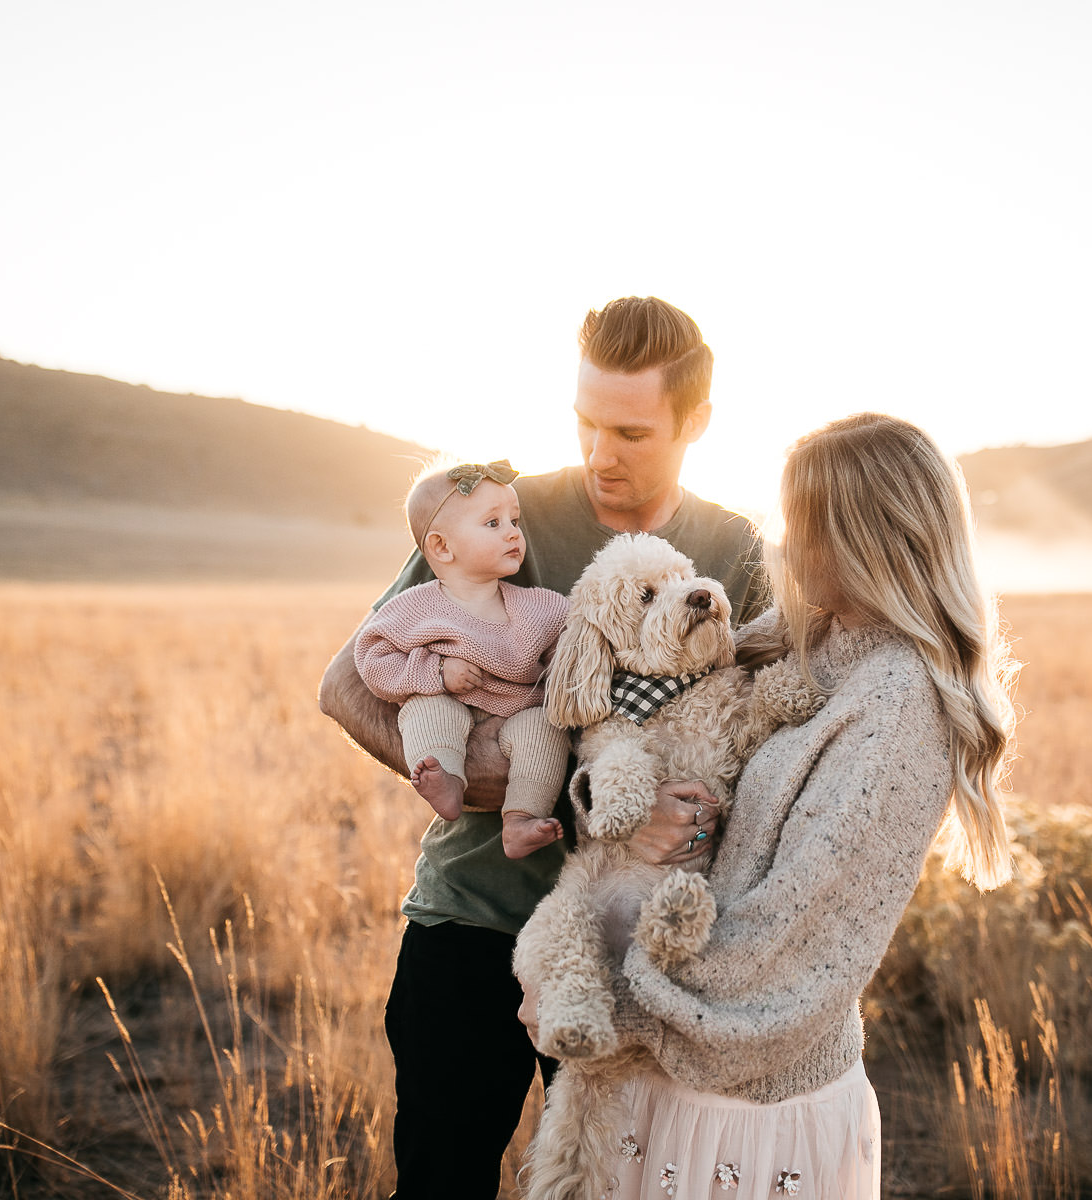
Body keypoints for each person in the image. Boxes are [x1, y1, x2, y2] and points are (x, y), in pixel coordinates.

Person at [318, 296, 770, 1200]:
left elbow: (749, 741)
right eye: (586, 422)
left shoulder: (733, 549)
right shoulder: (501, 515)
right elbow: (345, 687)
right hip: (470, 922)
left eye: (632, 432)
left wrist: (684, 821)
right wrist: (488, 778)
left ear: (698, 423)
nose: (602, 452)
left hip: (629, 947)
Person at [518, 413, 1018, 1199]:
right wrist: (611, 803)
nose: (781, 543)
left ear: (865, 538)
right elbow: (662, 708)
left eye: (802, 524)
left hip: (749, 1110)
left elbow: (792, 946)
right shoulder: (810, 635)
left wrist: (609, 1003)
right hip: (674, 1073)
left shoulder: (896, 707)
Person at [353, 458, 570, 858]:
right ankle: (446, 778)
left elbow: (569, 641)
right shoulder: (414, 608)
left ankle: (521, 817)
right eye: (493, 523)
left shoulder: (538, 606)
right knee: (427, 710)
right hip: (450, 701)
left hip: (516, 713)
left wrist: (561, 660)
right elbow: (372, 657)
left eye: (514, 521)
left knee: (544, 730)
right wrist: (435, 671)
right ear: (441, 546)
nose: (513, 534)